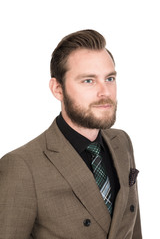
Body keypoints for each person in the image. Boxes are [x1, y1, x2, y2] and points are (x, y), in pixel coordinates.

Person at [0, 29, 142, 239]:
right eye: (88, 81)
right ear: (57, 89)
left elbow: (133, 228)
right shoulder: (22, 166)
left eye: (110, 78)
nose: (105, 92)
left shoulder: (122, 142)